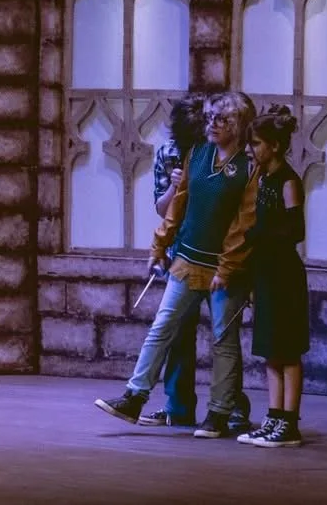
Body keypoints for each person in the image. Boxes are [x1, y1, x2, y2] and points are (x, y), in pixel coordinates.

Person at [94, 90, 260, 439]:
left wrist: (227, 268)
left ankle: (220, 411)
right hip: (187, 259)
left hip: (223, 269)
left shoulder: (248, 168)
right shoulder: (197, 154)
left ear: (238, 124)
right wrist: (159, 245)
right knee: (163, 326)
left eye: (221, 119)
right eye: (210, 118)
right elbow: (176, 207)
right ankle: (134, 397)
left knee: (223, 339)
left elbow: (243, 224)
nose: (212, 125)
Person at [137, 94, 211, 430]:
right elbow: (161, 208)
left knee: (225, 335)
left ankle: (229, 408)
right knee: (178, 329)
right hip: (182, 250)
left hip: (216, 248)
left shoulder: (216, 151)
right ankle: (178, 406)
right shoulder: (168, 152)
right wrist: (176, 187)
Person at [237, 106, 308, 447]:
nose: (251, 149)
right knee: (270, 350)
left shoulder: (288, 181)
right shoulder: (262, 178)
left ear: (275, 146)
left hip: (284, 275)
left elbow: (295, 230)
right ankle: (274, 416)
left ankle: (290, 423)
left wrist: (257, 235)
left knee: (288, 350)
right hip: (265, 271)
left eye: (256, 143)